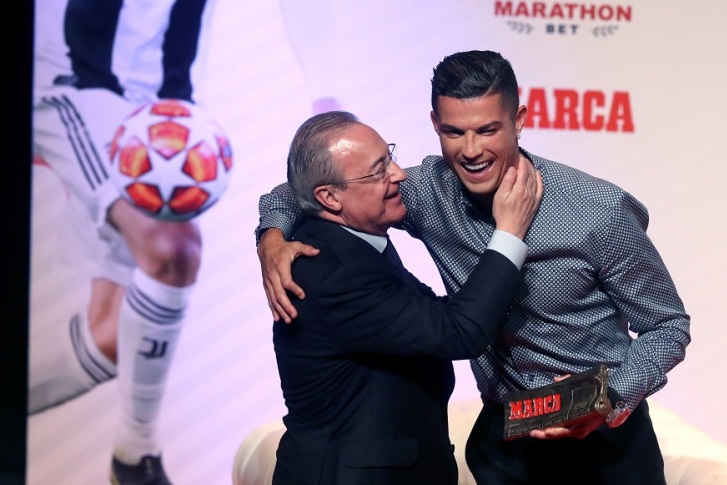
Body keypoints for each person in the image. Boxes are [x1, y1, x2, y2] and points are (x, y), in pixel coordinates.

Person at [256, 50, 691, 483]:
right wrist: (272, 237)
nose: (471, 151)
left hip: (605, 446)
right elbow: (302, 190)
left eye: (487, 130)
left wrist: (607, 398)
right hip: (503, 445)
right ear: (434, 125)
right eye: (454, 132)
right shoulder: (427, 193)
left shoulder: (597, 210)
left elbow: (668, 326)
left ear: (519, 120)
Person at [271, 110, 541, 484]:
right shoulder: (334, 272)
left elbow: (430, 315)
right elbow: (459, 332)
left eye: (390, 158)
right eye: (378, 171)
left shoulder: (355, 245)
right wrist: (509, 232)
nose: (398, 174)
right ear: (329, 197)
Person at [31, 0, 218, 483]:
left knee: (117, 335)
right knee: (171, 247)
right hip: (75, 84)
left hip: (162, 117)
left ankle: (132, 455)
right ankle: (136, 456)